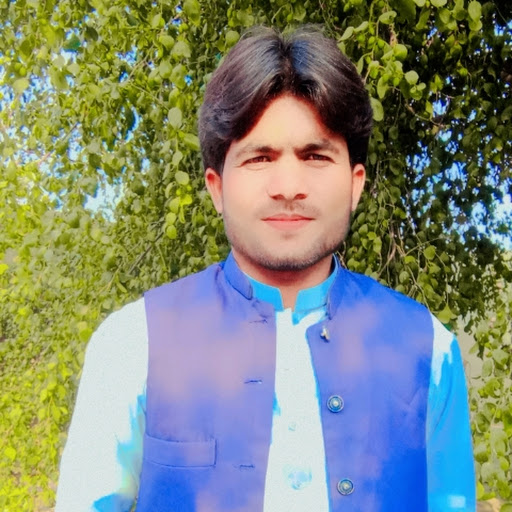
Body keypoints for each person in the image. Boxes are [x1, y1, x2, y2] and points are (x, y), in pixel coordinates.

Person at [55, 26, 476, 512]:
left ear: (355, 184)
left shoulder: (429, 348)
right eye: (260, 157)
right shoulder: (131, 345)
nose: (288, 186)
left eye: (315, 156)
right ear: (216, 187)